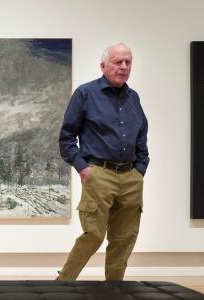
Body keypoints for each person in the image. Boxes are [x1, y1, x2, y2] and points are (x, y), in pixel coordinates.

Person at [57, 43, 149, 281]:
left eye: (128, 62)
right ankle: (63, 283)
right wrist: (84, 168)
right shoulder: (85, 93)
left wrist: (140, 169)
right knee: (94, 234)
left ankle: (114, 289)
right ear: (103, 65)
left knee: (124, 237)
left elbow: (141, 134)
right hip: (99, 174)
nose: (124, 67)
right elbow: (66, 138)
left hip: (131, 177)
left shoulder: (133, 98)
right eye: (118, 62)